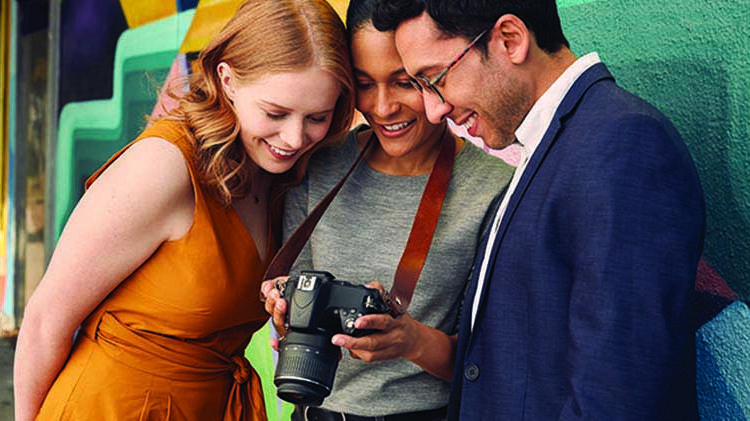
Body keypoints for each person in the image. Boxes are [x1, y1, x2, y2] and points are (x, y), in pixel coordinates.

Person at [13, 0, 355, 419]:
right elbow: (46, 320)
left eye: (317, 117)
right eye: (275, 113)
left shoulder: (282, 170)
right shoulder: (165, 165)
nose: (295, 137)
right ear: (227, 80)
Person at [371, 1, 706, 420]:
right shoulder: (558, 144)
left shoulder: (624, 144)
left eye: (434, 79)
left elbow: (614, 399)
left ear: (510, 39)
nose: (435, 109)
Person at [259, 0, 513, 419]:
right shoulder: (317, 164)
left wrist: (411, 341)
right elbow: (289, 312)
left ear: (435, 77)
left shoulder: (491, 188)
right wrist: (284, 312)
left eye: (405, 83)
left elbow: (493, 365)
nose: (381, 106)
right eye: (364, 83)